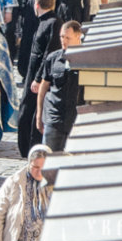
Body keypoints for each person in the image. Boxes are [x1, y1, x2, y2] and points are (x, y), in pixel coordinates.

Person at [17, 0, 60, 157]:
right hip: (33, 72)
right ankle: (25, 147)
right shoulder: (45, 22)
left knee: (32, 111)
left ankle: (30, 147)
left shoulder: (53, 23)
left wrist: (38, 79)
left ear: (36, 5)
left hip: (39, 76)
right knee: (26, 110)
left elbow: (48, 54)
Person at [35, 21, 83, 152]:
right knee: (48, 155)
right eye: (62, 37)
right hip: (54, 116)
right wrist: (39, 115)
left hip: (76, 118)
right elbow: (44, 87)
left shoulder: (86, 59)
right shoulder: (53, 58)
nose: (64, 41)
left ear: (78, 36)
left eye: (68, 37)